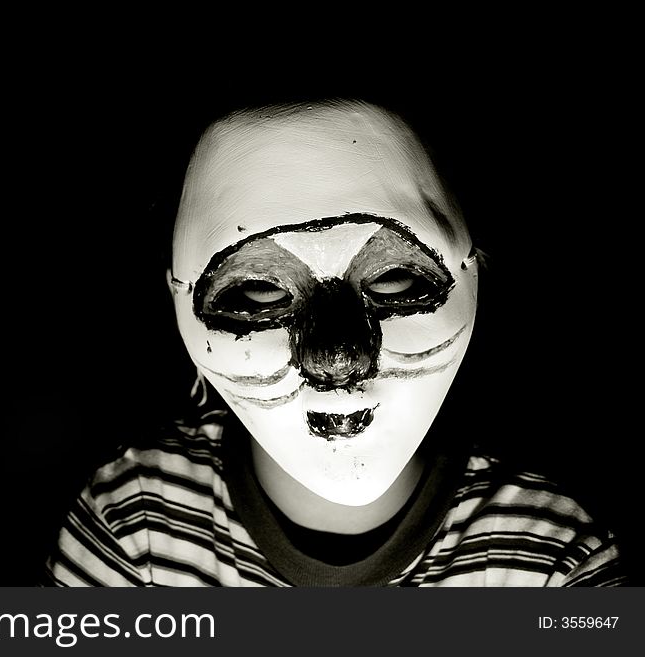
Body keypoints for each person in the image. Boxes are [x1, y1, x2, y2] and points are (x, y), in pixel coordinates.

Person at [43, 98, 627, 586]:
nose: (337, 358)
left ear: (480, 272)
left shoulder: (552, 558)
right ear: (176, 304)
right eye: (256, 296)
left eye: (398, 280)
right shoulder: (133, 522)